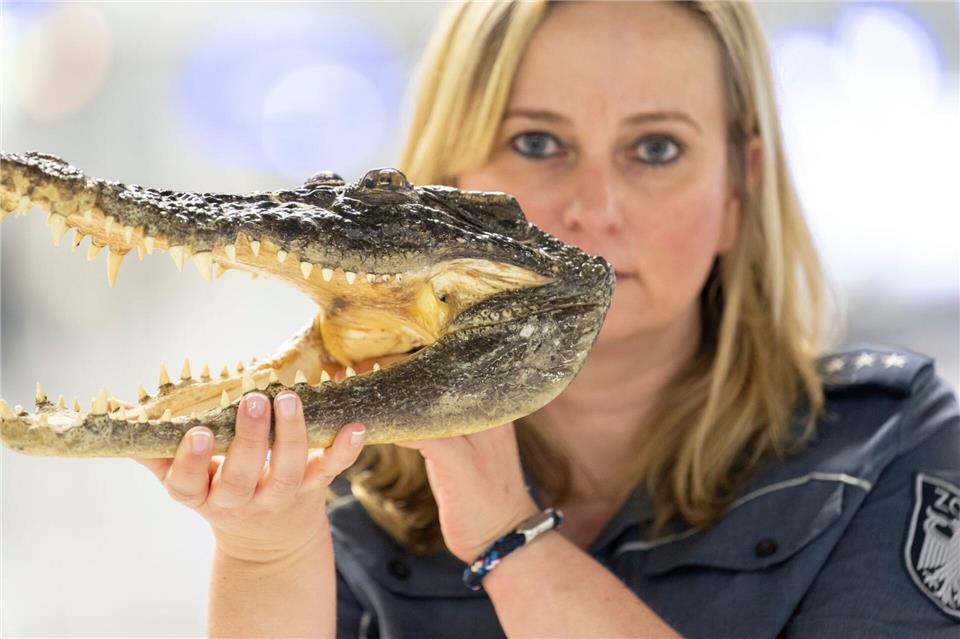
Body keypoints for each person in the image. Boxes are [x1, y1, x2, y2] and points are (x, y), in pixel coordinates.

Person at [134, 1, 960, 637]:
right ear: (446, 181)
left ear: (737, 191)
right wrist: (265, 548)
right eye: (536, 142)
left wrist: (508, 532)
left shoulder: (896, 446)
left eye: (657, 149)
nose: (593, 210)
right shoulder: (345, 476)